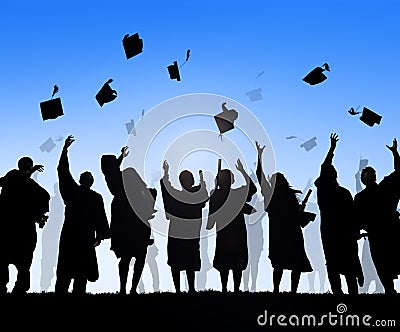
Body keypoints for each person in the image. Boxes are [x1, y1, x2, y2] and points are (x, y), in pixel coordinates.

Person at [55, 135, 110, 294]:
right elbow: (101, 219)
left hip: (74, 234)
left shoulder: (74, 192)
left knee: (71, 270)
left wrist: (65, 149)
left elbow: (63, 172)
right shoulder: (93, 197)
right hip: (82, 235)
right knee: (78, 271)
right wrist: (100, 235)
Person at [255, 141, 312, 293]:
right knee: (295, 264)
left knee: (279, 264)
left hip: (278, 234)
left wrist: (260, 157)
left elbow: (260, 177)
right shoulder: (289, 198)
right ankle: (293, 291)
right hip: (292, 234)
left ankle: (276, 290)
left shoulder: (271, 197)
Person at [101, 146, 157, 295]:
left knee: (127, 258)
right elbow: (112, 171)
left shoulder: (117, 183)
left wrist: (120, 158)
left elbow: (111, 171)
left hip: (127, 226)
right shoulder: (125, 181)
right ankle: (129, 288)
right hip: (134, 226)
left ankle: (125, 288)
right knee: (136, 257)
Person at [314, 133, 364, 295]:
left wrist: (332, 149)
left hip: (331, 232)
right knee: (347, 263)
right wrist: (331, 149)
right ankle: (351, 293)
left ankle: (338, 293)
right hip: (342, 232)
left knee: (333, 263)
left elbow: (324, 167)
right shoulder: (342, 193)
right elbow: (353, 215)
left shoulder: (323, 191)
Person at [354, 138, 400, 294]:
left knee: (384, 264)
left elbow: (399, 172)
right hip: (379, 234)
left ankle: (389, 290)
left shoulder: (382, 189)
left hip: (386, 233)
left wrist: (395, 153)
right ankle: (390, 291)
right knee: (382, 264)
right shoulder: (363, 196)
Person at [0, 157, 50, 294]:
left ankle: (20, 287)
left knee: (24, 261)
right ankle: (7, 286)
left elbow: (45, 196)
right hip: (10, 226)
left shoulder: (32, 186)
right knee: (5, 259)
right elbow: (16, 182)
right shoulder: (13, 176)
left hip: (22, 228)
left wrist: (39, 215)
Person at [207, 159, 257, 292]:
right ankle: (235, 288)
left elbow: (210, 220)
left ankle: (224, 288)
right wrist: (242, 172)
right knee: (236, 262)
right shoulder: (237, 194)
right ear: (232, 181)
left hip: (223, 232)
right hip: (238, 232)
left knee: (225, 260)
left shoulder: (216, 195)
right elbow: (252, 188)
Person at [160, 161, 209, 293]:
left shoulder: (177, 195)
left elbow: (166, 188)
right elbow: (204, 197)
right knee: (187, 260)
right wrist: (202, 181)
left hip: (179, 232)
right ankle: (188, 288)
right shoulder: (193, 195)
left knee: (183, 260)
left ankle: (181, 289)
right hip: (187, 233)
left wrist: (165, 174)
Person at [40, 182, 64, 292]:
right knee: (49, 260)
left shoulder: (56, 201)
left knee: (49, 260)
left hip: (55, 231)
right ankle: (46, 286)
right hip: (55, 231)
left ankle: (46, 286)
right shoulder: (62, 201)